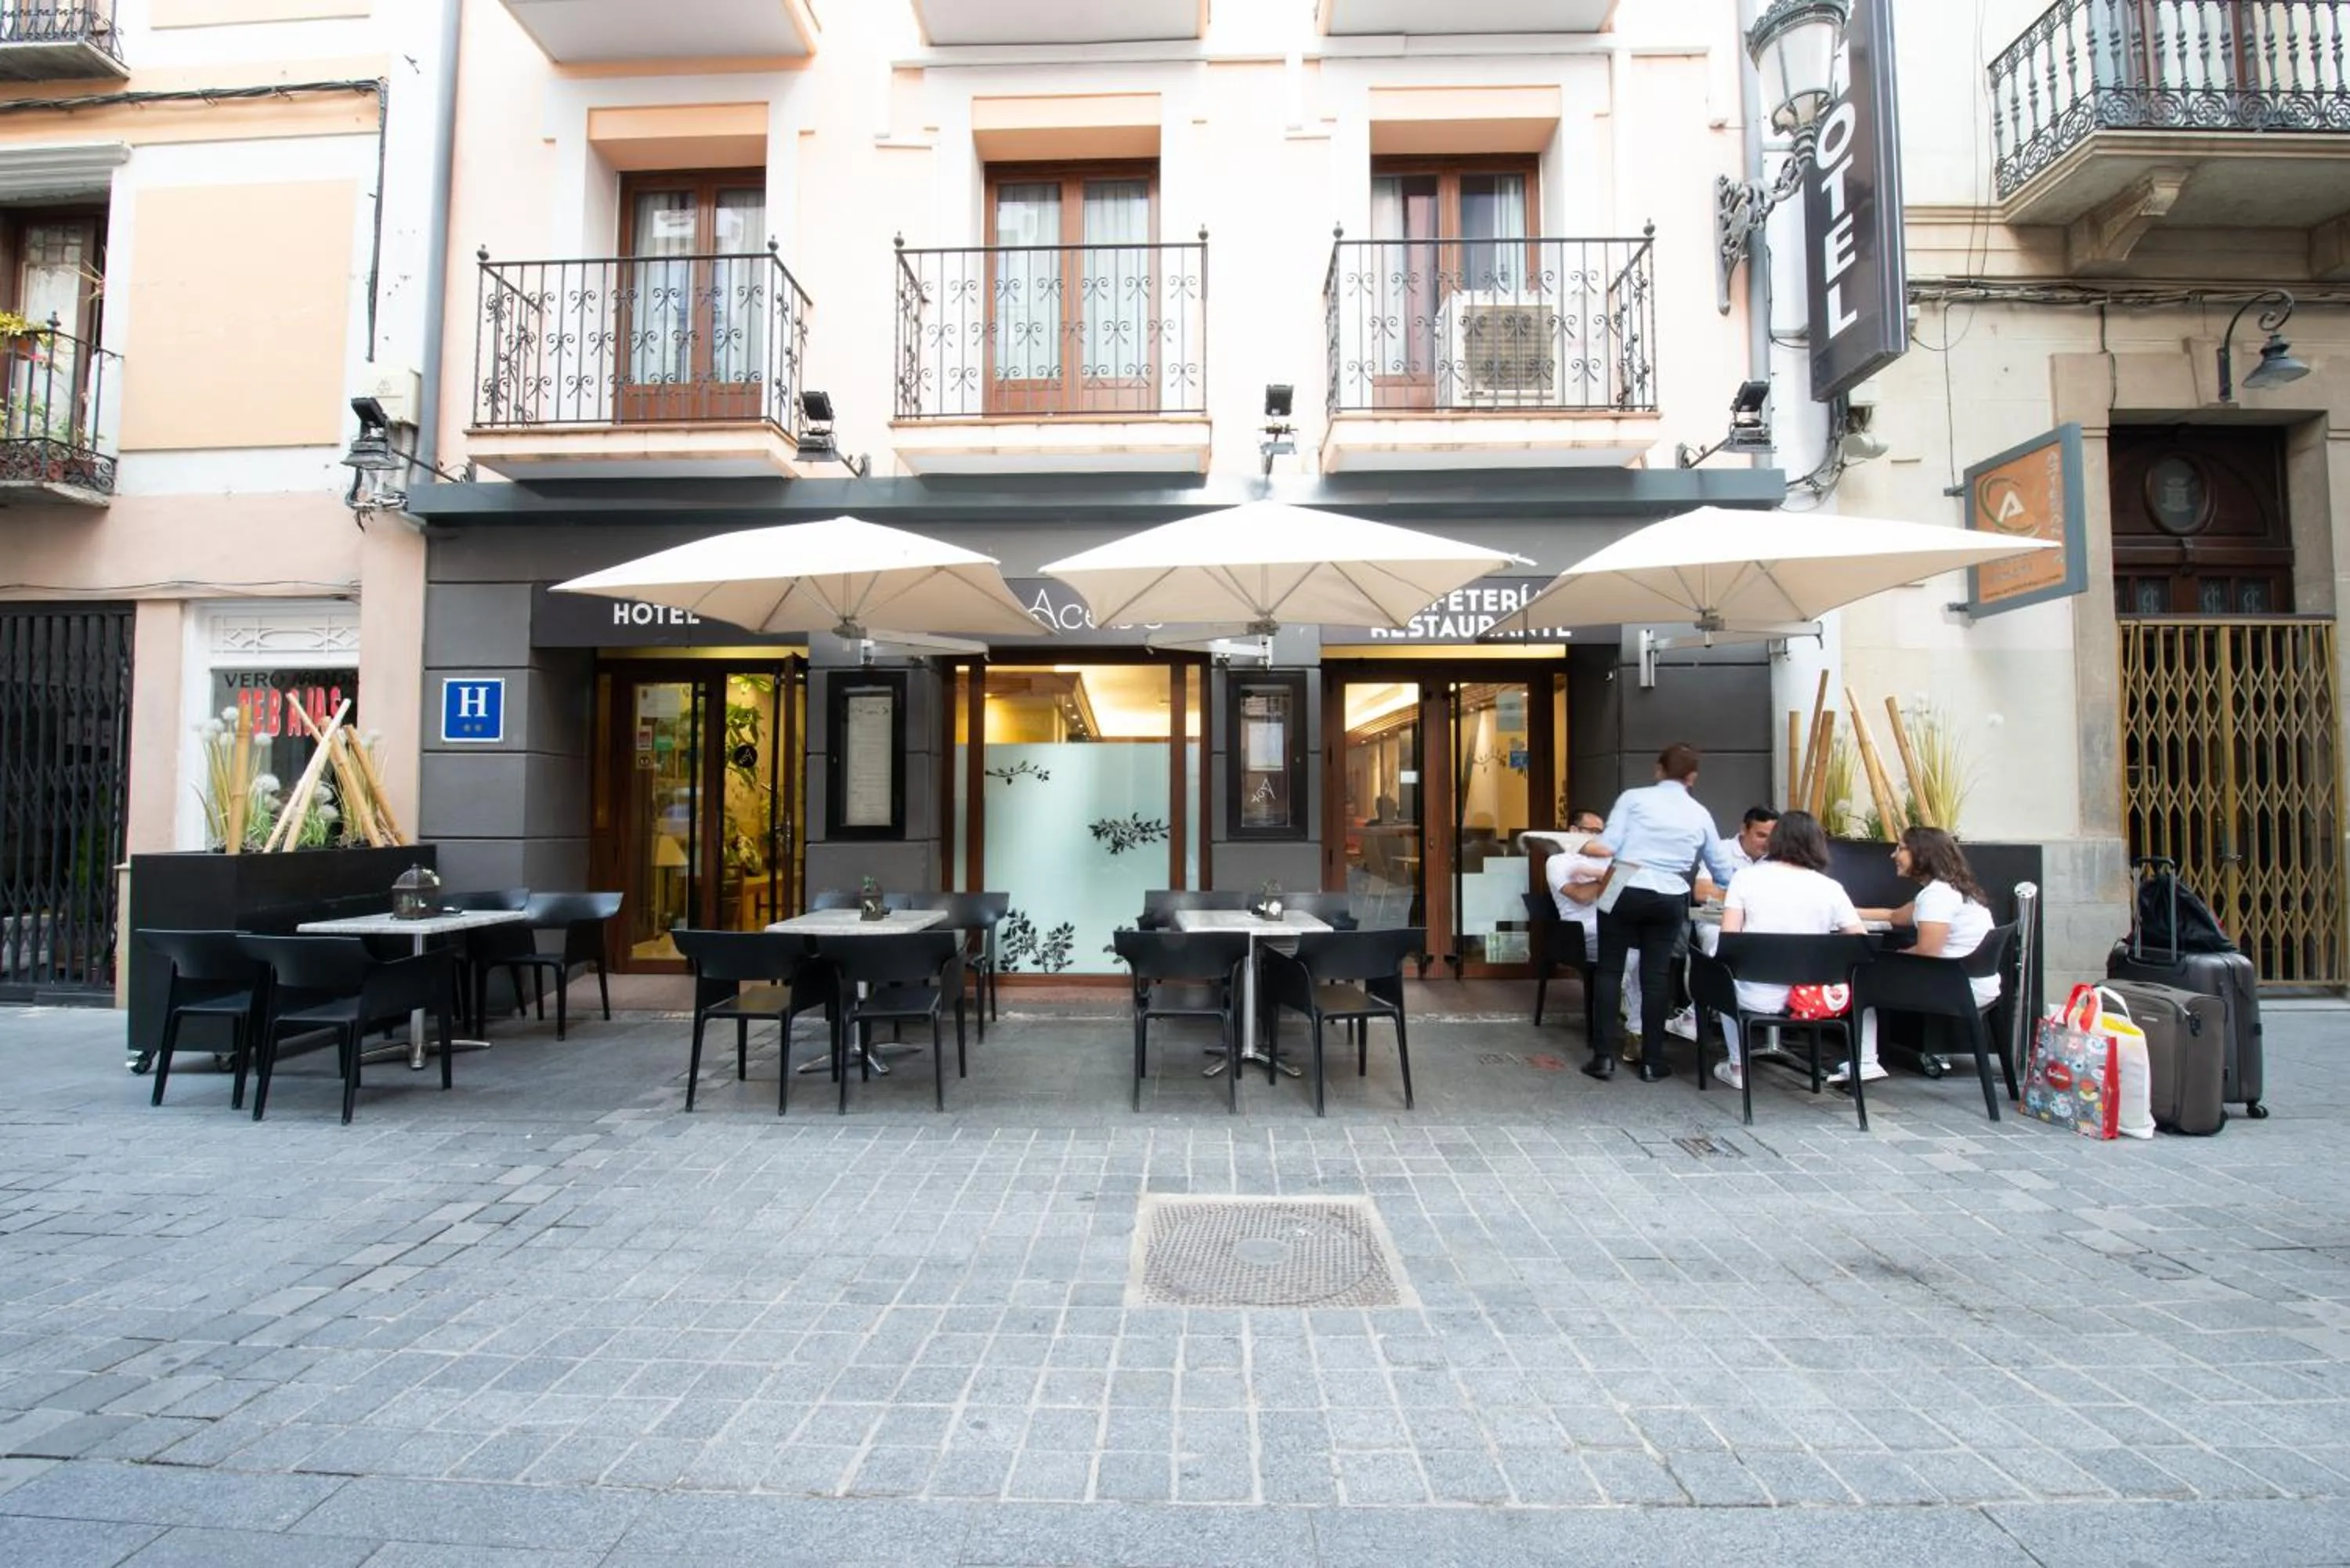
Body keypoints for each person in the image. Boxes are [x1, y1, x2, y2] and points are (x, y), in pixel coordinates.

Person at [1585, 743, 1734, 1082]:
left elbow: (1608, 844)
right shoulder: (1700, 813)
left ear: (1658, 770)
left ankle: (1603, 1058)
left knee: (1609, 971)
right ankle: (1652, 1061)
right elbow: (1723, 871)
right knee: (1655, 977)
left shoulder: (1633, 799)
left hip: (1622, 880)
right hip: (1671, 891)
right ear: (1692, 777)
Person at [1714, 810, 1866, 1089]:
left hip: (1755, 996)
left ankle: (1737, 1064)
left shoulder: (1746, 879)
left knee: (1719, 970)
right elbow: (1860, 943)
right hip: (1813, 999)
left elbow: (1729, 942)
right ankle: (1865, 1062)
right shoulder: (1831, 888)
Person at [1848, 826, 2001, 1086]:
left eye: (1901, 848)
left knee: (1861, 980)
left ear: (1922, 854)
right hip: (1975, 981)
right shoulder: (1950, 889)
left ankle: (1865, 1063)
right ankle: (1868, 1061)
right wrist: (1844, 911)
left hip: (1958, 987)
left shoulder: (1937, 897)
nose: (1894, 855)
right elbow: (1893, 916)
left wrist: (1892, 958)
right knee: (1873, 972)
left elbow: (1928, 951)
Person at [1666, 804, 1783, 1045]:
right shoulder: (1721, 850)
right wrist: (1746, 897)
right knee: (1724, 953)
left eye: (1771, 837)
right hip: (1715, 923)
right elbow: (1702, 892)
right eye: (1760, 835)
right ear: (1744, 829)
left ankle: (1693, 1017)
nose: (1766, 843)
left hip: (1759, 925)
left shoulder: (1778, 859)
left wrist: (1727, 893)